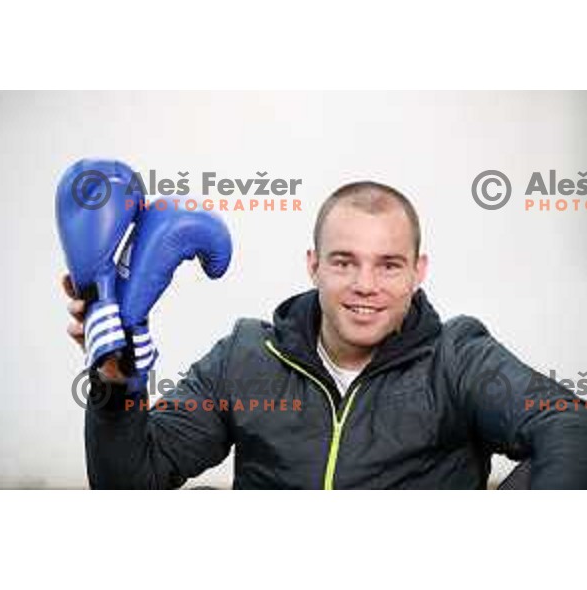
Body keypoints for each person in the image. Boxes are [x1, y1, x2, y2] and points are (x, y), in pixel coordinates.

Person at [64, 182, 587, 489]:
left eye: (388, 265)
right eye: (344, 262)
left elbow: (570, 428)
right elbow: (130, 482)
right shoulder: (246, 357)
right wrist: (114, 378)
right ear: (313, 264)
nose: (365, 286)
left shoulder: (458, 356)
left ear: (417, 271)